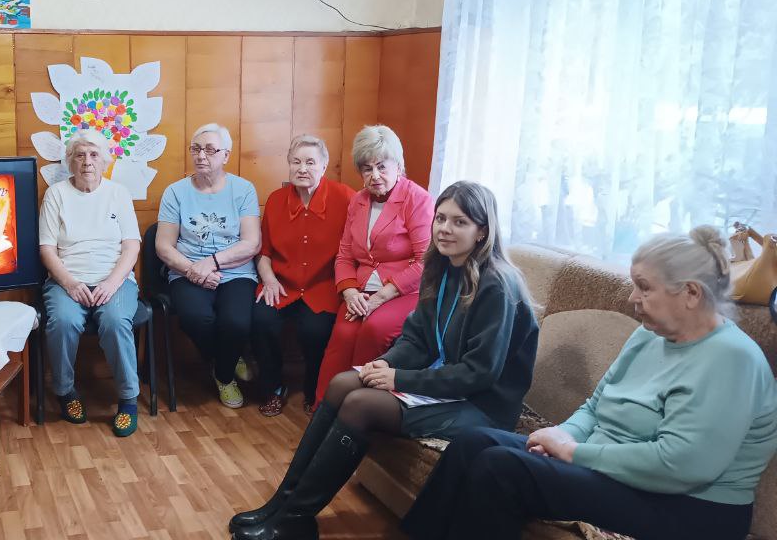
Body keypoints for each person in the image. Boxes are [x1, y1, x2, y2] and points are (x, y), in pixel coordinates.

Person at [401, 226, 777, 540]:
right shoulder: (651, 333)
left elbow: (678, 466)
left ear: (691, 293)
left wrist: (573, 453)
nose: (632, 298)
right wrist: (560, 436)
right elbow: (598, 403)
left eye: (644, 287)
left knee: (501, 469)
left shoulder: (731, 359)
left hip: (691, 507)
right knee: (472, 443)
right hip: (616, 467)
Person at [229, 181, 539, 540]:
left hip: (481, 405)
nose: (445, 229)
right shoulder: (442, 267)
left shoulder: (497, 285)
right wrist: (386, 364)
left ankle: (296, 517)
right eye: (440, 218)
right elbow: (418, 338)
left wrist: (399, 379)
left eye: (460, 222)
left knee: (361, 404)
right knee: (343, 382)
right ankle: (282, 503)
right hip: (446, 383)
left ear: (482, 231)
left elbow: (479, 373)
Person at [315, 124, 433, 405]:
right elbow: (344, 255)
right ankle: (324, 407)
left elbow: (426, 261)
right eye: (367, 169)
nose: (375, 175)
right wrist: (349, 292)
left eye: (381, 166)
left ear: (398, 165)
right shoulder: (358, 201)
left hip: (406, 292)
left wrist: (381, 296)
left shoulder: (418, 199)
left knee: (374, 330)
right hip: (360, 292)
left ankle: (356, 407)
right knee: (343, 334)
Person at [39, 129, 143, 436]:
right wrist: (70, 284)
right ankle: (65, 391)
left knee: (115, 320)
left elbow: (132, 246)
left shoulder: (118, 193)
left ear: (105, 160)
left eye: (94, 154)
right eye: (80, 155)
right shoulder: (56, 195)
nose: (87, 162)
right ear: (70, 161)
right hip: (67, 279)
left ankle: (128, 399)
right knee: (63, 321)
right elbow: (46, 249)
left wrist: (112, 283)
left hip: (115, 279)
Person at [156, 123, 261, 409]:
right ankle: (226, 363)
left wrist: (211, 263)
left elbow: (252, 243)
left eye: (210, 150)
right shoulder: (175, 192)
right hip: (186, 271)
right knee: (195, 318)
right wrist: (194, 271)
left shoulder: (243, 190)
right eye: (196, 149)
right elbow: (163, 246)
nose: (201, 155)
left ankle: (223, 374)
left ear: (226, 155)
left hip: (236, 271)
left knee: (236, 323)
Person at [251, 134, 355, 416]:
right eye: (296, 162)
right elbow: (264, 253)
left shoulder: (345, 197)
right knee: (261, 320)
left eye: (310, 162)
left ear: (324, 166)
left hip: (323, 286)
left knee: (315, 331)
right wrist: (269, 279)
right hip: (281, 284)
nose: (302, 168)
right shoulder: (276, 200)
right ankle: (273, 388)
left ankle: (313, 389)